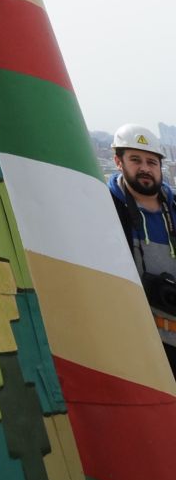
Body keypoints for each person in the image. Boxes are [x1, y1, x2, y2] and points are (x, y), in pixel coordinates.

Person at [107, 122, 176, 377]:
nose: (145, 168)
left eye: (152, 161)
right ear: (118, 161)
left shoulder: (174, 207)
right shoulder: (107, 209)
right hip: (140, 341)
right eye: (136, 160)